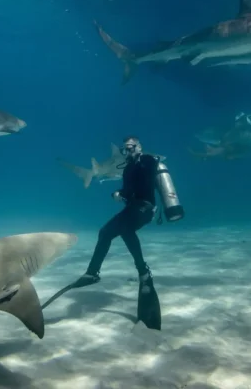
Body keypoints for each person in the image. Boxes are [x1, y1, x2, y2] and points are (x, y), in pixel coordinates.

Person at [41, 136, 162, 330]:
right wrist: (119, 193)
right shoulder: (128, 167)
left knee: (110, 232)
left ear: (140, 147)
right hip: (133, 209)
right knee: (117, 232)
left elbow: (144, 180)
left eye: (131, 148)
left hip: (144, 209)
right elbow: (129, 188)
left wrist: (124, 190)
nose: (128, 152)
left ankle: (94, 272)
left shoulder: (147, 161)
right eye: (125, 149)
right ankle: (140, 272)